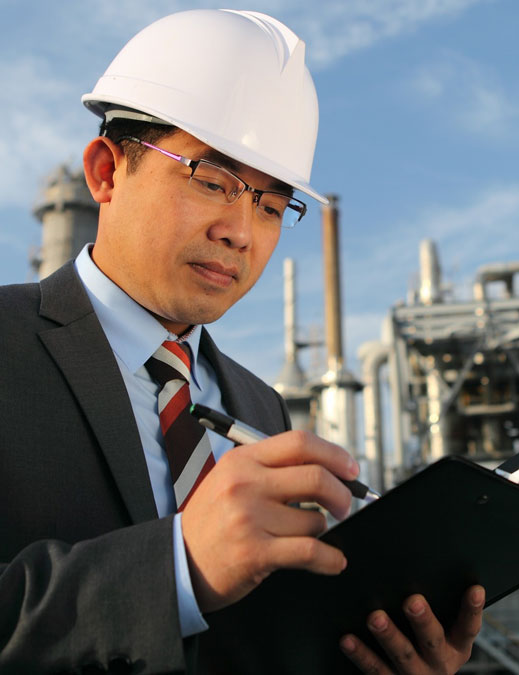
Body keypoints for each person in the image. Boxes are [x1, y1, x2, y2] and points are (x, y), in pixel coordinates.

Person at [0, 9, 483, 674]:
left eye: (272, 204)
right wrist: (175, 568)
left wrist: (376, 653)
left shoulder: (260, 407)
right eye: (212, 179)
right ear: (107, 171)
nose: (242, 232)